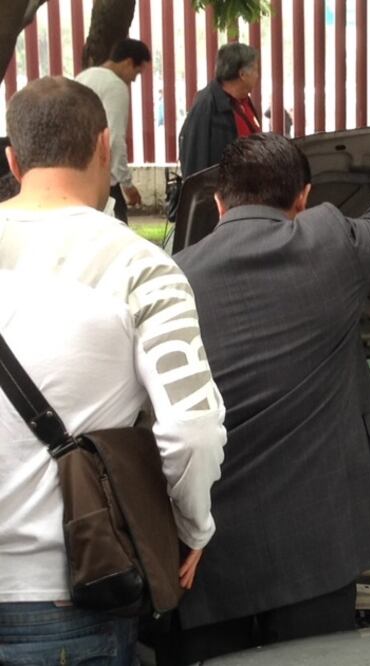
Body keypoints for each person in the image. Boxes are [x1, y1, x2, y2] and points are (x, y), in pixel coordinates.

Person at [169, 115, 370, 661]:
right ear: (303, 198)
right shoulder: (331, 243)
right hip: (316, 554)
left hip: (206, 560)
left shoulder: (171, 278)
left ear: (220, 205)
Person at [0, 77, 225, 664]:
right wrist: (192, 530)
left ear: (13, 158)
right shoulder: (142, 269)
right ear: (105, 145)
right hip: (68, 604)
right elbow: (192, 431)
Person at [75, 38, 150, 223]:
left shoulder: (84, 76)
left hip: (77, 171)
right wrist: (127, 183)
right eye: (137, 72)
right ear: (128, 62)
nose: (134, 79)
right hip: (103, 178)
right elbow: (114, 138)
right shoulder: (116, 86)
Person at [179, 43, 261, 176]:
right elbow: (194, 162)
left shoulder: (245, 101)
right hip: (224, 192)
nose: (257, 76)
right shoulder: (206, 106)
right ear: (242, 74)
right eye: (256, 70)